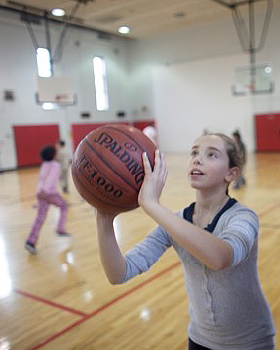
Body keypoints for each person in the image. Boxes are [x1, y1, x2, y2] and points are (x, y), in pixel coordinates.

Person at [95, 133, 275, 350]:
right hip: (200, 340)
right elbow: (118, 273)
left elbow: (220, 258)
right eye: (194, 152)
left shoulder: (243, 217)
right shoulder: (177, 222)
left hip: (250, 342)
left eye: (212, 155)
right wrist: (103, 218)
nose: (198, 159)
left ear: (231, 173)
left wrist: (152, 204)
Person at [25, 145, 70, 254]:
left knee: (40, 218)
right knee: (64, 206)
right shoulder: (55, 165)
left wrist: (42, 191)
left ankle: (30, 242)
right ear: (54, 155)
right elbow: (50, 179)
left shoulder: (45, 164)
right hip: (49, 193)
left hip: (40, 193)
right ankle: (60, 229)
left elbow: (43, 179)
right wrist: (46, 191)